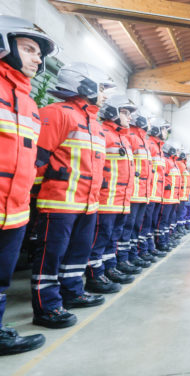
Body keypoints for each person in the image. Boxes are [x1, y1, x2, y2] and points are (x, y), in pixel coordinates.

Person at [30, 62, 114, 328]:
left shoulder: (95, 125)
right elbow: (37, 161)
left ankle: (73, 292)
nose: (105, 95)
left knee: (78, 253)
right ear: (84, 85)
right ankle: (48, 307)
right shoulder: (55, 114)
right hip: (58, 202)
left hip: (87, 204)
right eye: (102, 88)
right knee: (51, 255)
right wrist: (34, 197)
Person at [0, 15, 57, 354]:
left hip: (15, 211)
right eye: (29, 49)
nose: (38, 58)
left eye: (39, 52)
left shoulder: (30, 104)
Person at [85, 95, 138, 295]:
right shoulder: (104, 133)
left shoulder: (123, 138)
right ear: (113, 113)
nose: (129, 118)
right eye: (125, 113)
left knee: (112, 238)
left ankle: (109, 268)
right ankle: (95, 275)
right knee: (100, 238)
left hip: (121, 201)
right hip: (106, 200)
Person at [120, 110, 152, 269]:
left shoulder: (144, 141)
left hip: (142, 193)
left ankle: (133, 255)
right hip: (132, 193)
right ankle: (124, 258)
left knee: (136, 226)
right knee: (128, 227)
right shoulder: (131, 137)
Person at [137, 120, 167, 260]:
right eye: (164, 129)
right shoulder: (151, 146)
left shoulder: (158, 148)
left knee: (150, 223)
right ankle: (142, 250)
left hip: (156, 193)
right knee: (144, 223)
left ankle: (149, 247)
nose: (166, 132)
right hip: (149, 193)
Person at [155, 142, 180, 249]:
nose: (179, 153)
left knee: (167, 221)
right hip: (166, 198)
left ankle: (166, 239)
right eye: (177, 150)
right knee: (163, 221)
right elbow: (162, 177)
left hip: (173, 198)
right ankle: (160, 242)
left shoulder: (173, 162)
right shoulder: (167, 161)